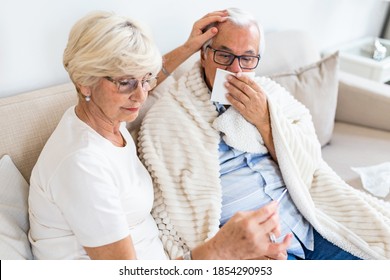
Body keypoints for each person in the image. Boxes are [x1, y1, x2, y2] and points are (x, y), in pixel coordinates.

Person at [27, 10, 292, 260]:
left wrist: (190, 46)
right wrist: (222, 251)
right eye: (126, 82)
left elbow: (145, 78)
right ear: (85, 80)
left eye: (145, 80)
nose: (142, 95)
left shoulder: (105, 118)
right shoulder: (81, 164)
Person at [138, 7, 390, 260]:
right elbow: (130, 89)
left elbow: (309, 161)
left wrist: (265, 122)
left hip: (311, 226)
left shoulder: (271, 94)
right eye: (224, 55)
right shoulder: (170, 116)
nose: (236, 69)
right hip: (253, 248)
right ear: (203, 55)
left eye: (247, 58)